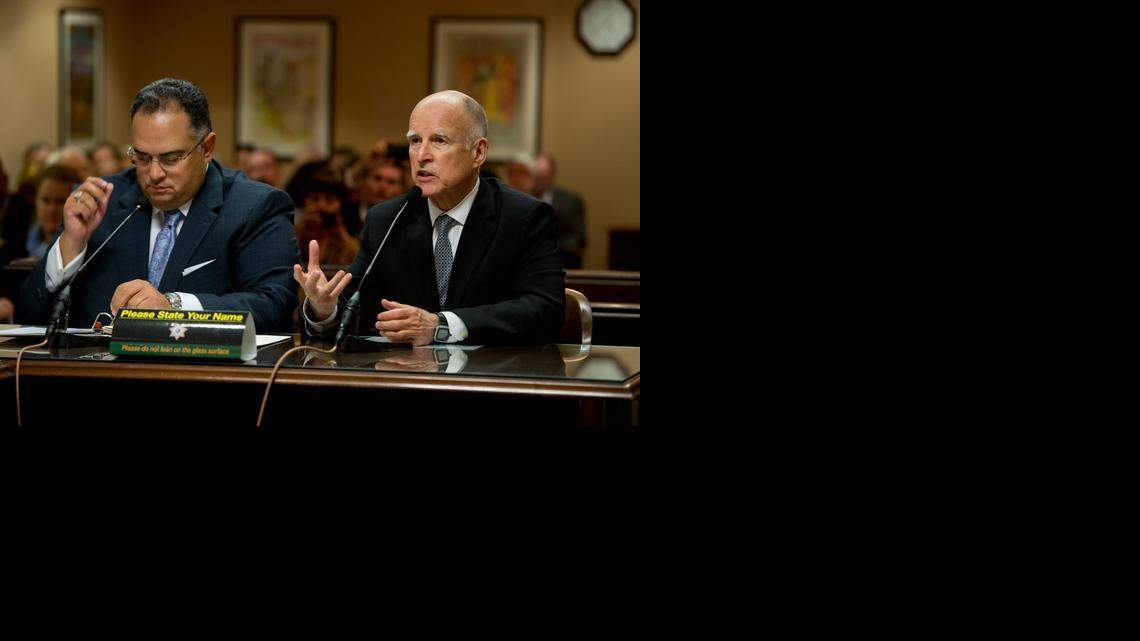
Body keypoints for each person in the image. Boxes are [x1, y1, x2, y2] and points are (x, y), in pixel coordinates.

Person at [17, 77, 300, 332]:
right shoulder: (104, 201)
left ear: (207, 148)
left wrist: (174, 306)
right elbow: (28, 314)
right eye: (141, 157)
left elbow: (273, 306)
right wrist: (70, 245)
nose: (153, 174)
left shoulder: (253, 207)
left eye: (170, 158)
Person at [297, 90, 564, 345]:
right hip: (407, 380)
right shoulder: (388, 218)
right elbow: (352, 305)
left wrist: (442, 326)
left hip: (491, 380)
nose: (422, 156)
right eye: (415, 141)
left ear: (478, 153)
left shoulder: (524, 217)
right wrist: (324, 310)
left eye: (439, 141)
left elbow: (545, 308)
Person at [294, 168, 359, 265]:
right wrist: (300, 231)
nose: (321, 205)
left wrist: (342, 236)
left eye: (329, 200)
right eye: (315, 198)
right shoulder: (293, 233)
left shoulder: (348, 239)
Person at [532, 154, 586, 270]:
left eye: (543, 177)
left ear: (551, 175)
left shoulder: (570, 201)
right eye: (536, 177)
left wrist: (547, 246)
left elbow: (579, 238)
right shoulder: (525, 198)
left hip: (563, 263)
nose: (539, 181)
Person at [24, 165, 81, 260]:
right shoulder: (20, 242)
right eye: (45, 201)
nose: (51, 209)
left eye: (60, 202)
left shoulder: (85, 248)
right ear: (36, 200)